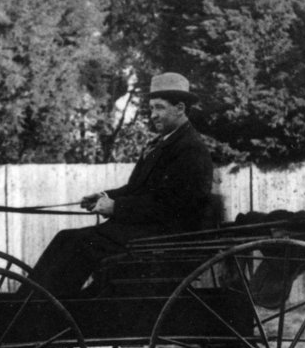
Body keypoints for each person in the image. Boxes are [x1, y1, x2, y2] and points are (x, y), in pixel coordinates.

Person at [28, 72, 214, 297]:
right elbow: (136, 189)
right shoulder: (162, 144)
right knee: (66, 238)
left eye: (159, 108)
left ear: (180, 108)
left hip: (164, 239)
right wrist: (104, 196)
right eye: (151, 108)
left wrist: (116, 208)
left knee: (76, 243)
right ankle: (29, 306)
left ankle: (41, 313)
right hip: (142, 231)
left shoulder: (190, 149)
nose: (153, 115)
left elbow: (173, 208)